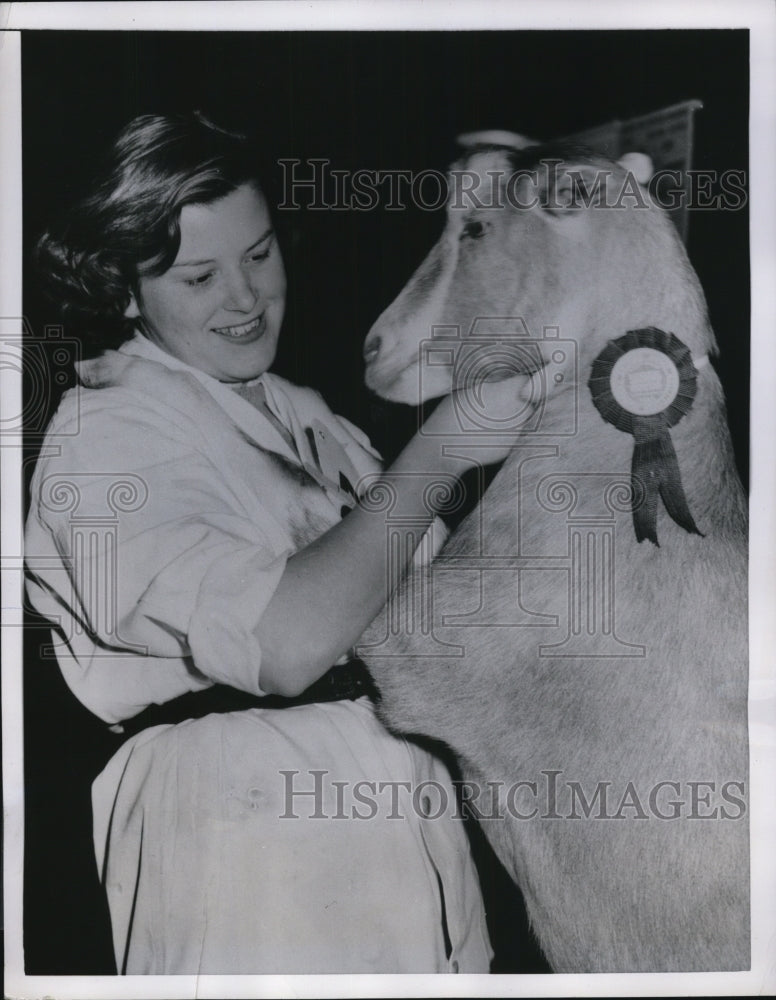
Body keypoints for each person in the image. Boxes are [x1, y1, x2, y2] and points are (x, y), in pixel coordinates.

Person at [25, 112, 522, 975]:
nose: (246, 298)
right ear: (122, 287)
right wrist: (443, 448)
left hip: (398, 809)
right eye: (199, 276)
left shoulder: (305, 412)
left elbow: (457, 612)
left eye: (258, 255)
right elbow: (282, 644)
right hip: (245, 827)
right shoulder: (104, 431)